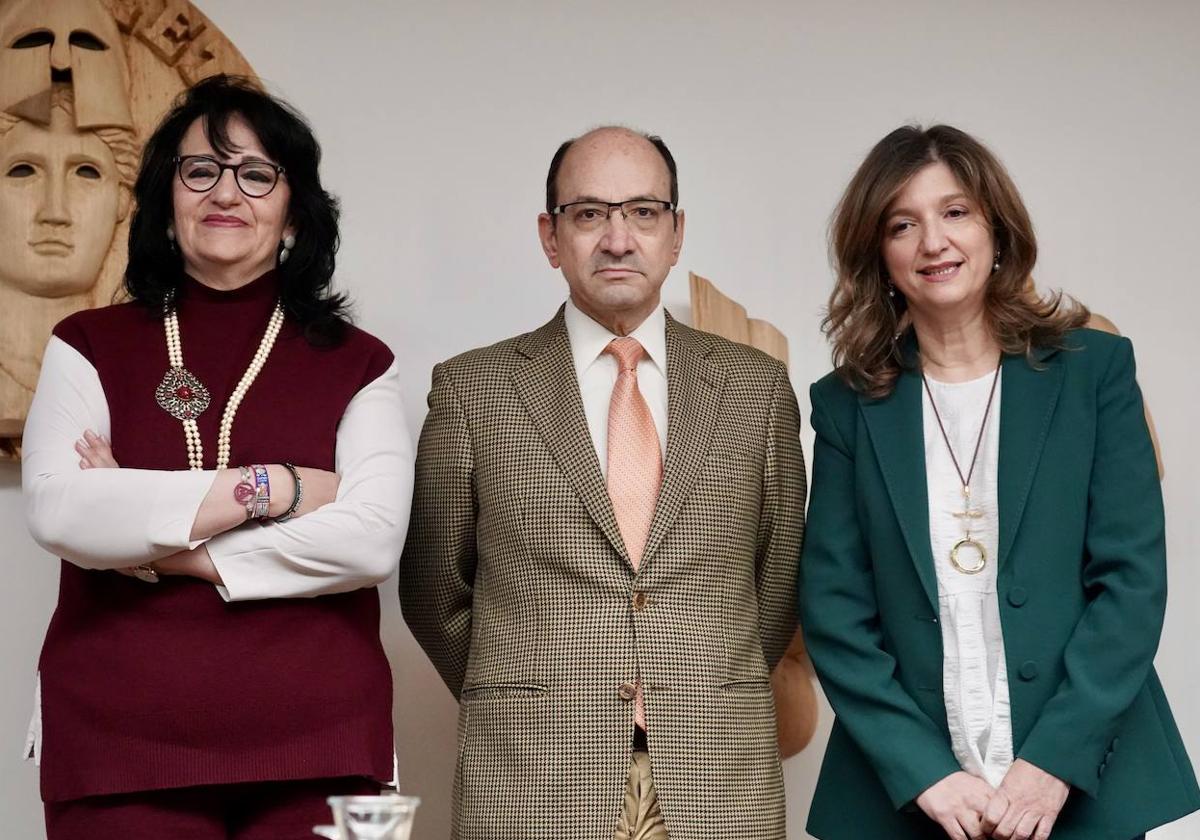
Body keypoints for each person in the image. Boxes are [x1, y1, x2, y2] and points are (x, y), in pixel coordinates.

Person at [21, 74, 413, 838]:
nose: (225, 193)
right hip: (116, 748)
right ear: (168, 199)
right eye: (200, 170)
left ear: (295, 208)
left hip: (328, 745)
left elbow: (371, 540)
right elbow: (60, 509)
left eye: (256, 173)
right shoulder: (87, 344)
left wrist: (150, 541)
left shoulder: (362, 362)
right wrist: (275, 488)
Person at [400, 126, 805, 840]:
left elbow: (776, 583)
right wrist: (531, 688)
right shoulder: (473, 390)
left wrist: (698, 678)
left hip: (719, 771)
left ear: (676, 234)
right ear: (550, 237)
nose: (618, 239)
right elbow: (435, 591)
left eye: (644, 212)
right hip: (532, 773)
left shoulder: (755, 388)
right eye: (589, 214)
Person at [799, 124, 1199, 840]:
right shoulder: (845, 405)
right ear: (878, 255)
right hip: (913, 799)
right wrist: (925, 773)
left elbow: (1131, 582)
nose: (933, 242)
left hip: (1081, 786)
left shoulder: (1094, 372)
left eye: (955, 213)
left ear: (996, 229)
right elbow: (834, 610)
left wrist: (1052, 763)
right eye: (902, 223)